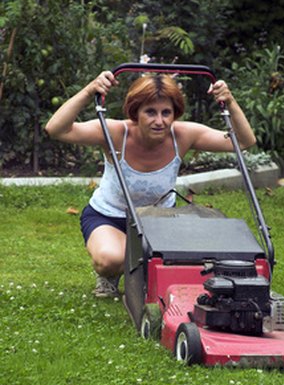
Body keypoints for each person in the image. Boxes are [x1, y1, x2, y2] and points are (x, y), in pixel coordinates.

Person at [45, 70, 256, 298]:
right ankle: (111, 275)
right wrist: (90, 90)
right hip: (110, 216)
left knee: (184, 261)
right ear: (136, 112)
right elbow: (56, 129)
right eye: (150, 112)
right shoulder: (115, 132)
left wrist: (230, 101)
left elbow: (244, 141)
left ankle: (144, 265)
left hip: (159, 220)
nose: (159, 121)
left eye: (166, 112)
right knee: (111, 259)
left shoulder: (184, 135)